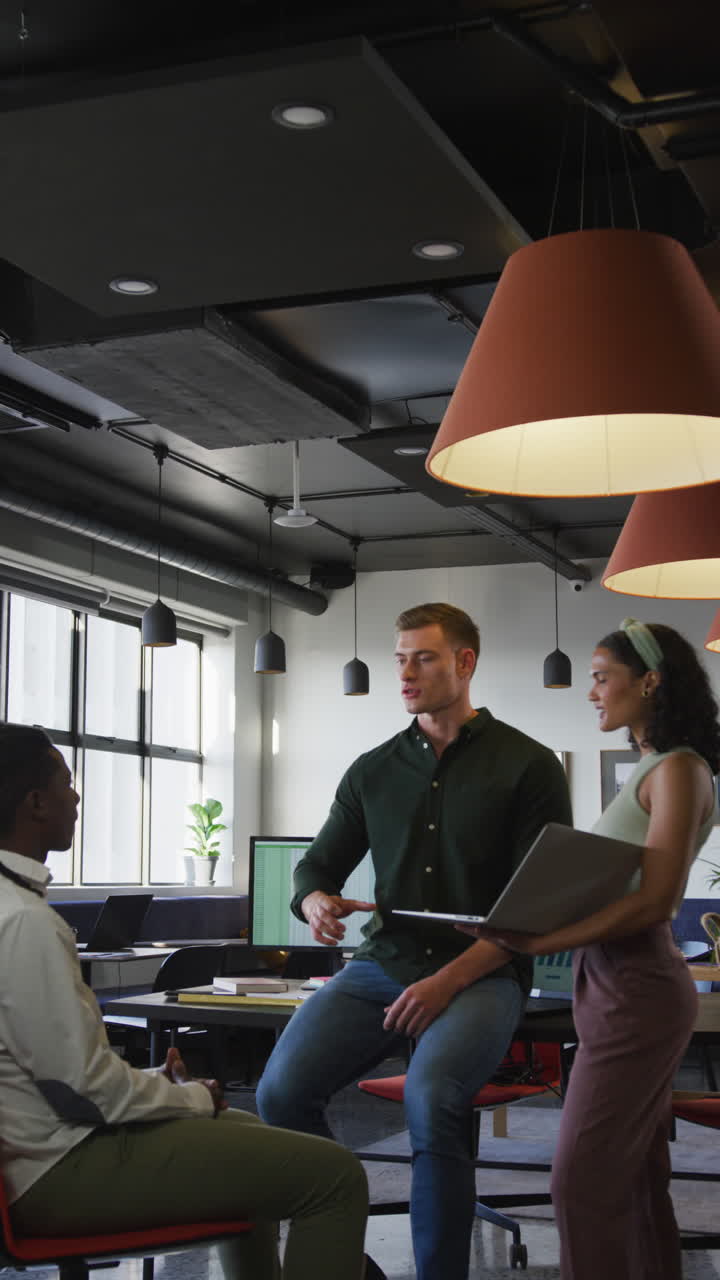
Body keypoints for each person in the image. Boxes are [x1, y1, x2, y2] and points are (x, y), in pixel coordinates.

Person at [256, 602, 571, 1280]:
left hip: (484, 972)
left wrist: (447, 982)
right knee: (278, 1096)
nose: (405, 671)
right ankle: (350, 1257)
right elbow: (316, 866)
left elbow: (537, 912)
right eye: (399, 657)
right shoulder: (373, 769)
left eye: (423, 657)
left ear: (465, 662)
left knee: (433, 1097)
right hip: (382, 965)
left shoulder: (529, 765)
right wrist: (313, 899)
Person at [0, 722, 370, 1280]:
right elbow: (83, 1091)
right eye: (67, 784)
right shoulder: (25, 922)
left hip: (39, 1151)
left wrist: (162, 1086)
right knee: (337, 1177)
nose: (75, 797)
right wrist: (192, 1099)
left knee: (252, 1139)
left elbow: (50, 1073)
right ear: (34, 802)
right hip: (55, 1168)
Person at [459, 618, 720, 1280]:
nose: (591, 692)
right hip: (611, 984)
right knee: (631, 1181)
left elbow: (655, 901)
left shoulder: (679, 770)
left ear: (650, 681)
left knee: (580, 1182)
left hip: (636, 988)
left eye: (602, 677)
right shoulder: (658, 769)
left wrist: (539, 940)